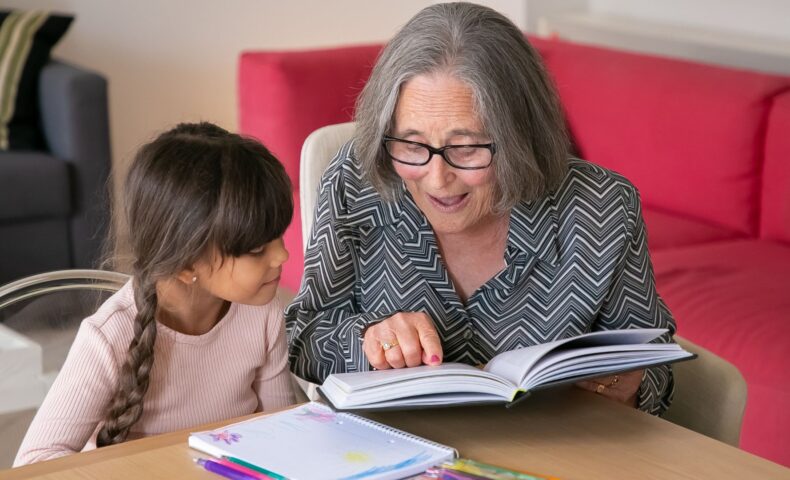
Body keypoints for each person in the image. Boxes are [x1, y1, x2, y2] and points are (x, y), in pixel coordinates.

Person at [286, 2, 676, 415]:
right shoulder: (358, 179)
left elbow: (654, 361)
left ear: (521, 138)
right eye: (412, 145)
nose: (437, 179)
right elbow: (304, 335)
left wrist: (627, 384)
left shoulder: (602, 207)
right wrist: (367, 339)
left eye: (467, 148)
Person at [15, 123, 296, 466]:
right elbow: (34, 463)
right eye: (256, 249)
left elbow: (285, 433)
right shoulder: (109, 336)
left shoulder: (262, 312)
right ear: (186, 264)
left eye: (279, 236)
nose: (282, 256)